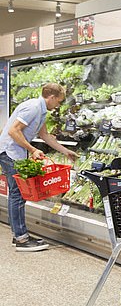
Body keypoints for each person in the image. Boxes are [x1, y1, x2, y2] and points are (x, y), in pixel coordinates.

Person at [0, 83, 77, 252]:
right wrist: (33, 150)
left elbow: (45, 136)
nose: (58, 105)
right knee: (17, 194)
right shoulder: (33, 107)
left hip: (14, 152)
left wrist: (65, 151)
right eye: (58, 101)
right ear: (51, 97)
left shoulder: (41, 110)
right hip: (9, 152)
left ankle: (19, 235)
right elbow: (14, 131)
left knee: (17, 194)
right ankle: (21, 239)